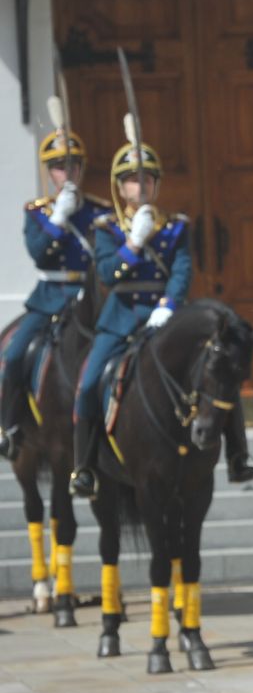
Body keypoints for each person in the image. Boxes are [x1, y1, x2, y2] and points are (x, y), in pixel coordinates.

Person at [72, 141, 253, 497]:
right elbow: (109, 274)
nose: (140, 187)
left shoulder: (175, 227)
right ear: (119, 186)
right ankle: (84, 467)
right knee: (89, 382)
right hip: (121, 317)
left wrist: (168, 304)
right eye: (131, 180)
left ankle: (239, 455)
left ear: (157, 185)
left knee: (219, 374)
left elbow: (182, 270)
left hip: (168, 318)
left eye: (147, 179)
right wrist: (134, 242)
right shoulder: (107, 228)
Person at [2, 117, 113, 460]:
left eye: (71, 166)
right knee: (15, 353)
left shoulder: (100, 211)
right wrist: (58, 219)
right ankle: (8, 424)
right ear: (50, 173)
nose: (66, 173)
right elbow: (38, 253)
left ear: (81, 169)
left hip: (89, 299)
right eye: (59, 167)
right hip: (50, 298)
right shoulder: (38, 213)